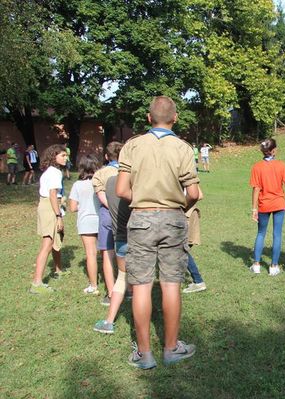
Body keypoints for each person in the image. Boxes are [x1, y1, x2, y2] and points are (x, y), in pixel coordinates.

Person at [117, 95, 200, 369]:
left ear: (148, 118)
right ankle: (171, 348)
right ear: (175, 118)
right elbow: (194, 193)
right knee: (171, 283)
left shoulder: (132, 145)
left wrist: (144, 201)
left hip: (140, 218)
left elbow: (121, 191)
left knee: (140, 284)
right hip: (174, 219)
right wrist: (176, 206)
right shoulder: (183, 148)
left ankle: (144, 354)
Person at [93, 174, 133, 334]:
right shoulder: (136, 181)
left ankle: (108, 321)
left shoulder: (109, 181)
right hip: (137, 239)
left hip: (119, 239)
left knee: (122, 278)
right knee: (143, 283)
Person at [249, 138, 285, 276]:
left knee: (261, 233)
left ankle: (256, 264)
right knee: (277, 234)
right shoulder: (282, 165)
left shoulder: (257, 167)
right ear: (273, 150)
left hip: (263, 204)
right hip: (279, 203)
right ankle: (274, 266)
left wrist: (254, 208)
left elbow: (256, 189)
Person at [30, 144, 68, 294]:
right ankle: (37, 283)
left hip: (48, 206)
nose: (66, 158)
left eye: (66, 155)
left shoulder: (52, 171)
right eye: (62, 155)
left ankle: (58, 270)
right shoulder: (55, 173)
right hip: (50, 207)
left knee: (54, 239)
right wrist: (58, 216)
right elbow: (53, 194)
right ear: (54, 157)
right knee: (47, 243)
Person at [92, 142, 123, 306]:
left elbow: (101, 196)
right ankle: (130, 289)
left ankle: (111, 292)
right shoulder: (127, 171)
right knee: (127, 251)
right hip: (125, 214)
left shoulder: (100, 173)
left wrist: (110, 206)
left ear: (106, 156)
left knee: (107, 253)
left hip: (107, 216)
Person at [69, 154, 101, 295]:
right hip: (101, 219)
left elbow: (72, 207)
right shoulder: (99, 182)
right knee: (107, 253)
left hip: (85, 221)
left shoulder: (77, 185)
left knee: (91, 254)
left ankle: (93, 286)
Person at [183, 203, 208, 293]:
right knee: (179, 250)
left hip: (186, 216)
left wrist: (181, 206)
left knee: (181, 250)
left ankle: (198, 281)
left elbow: (198, 195)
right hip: (188, 214)